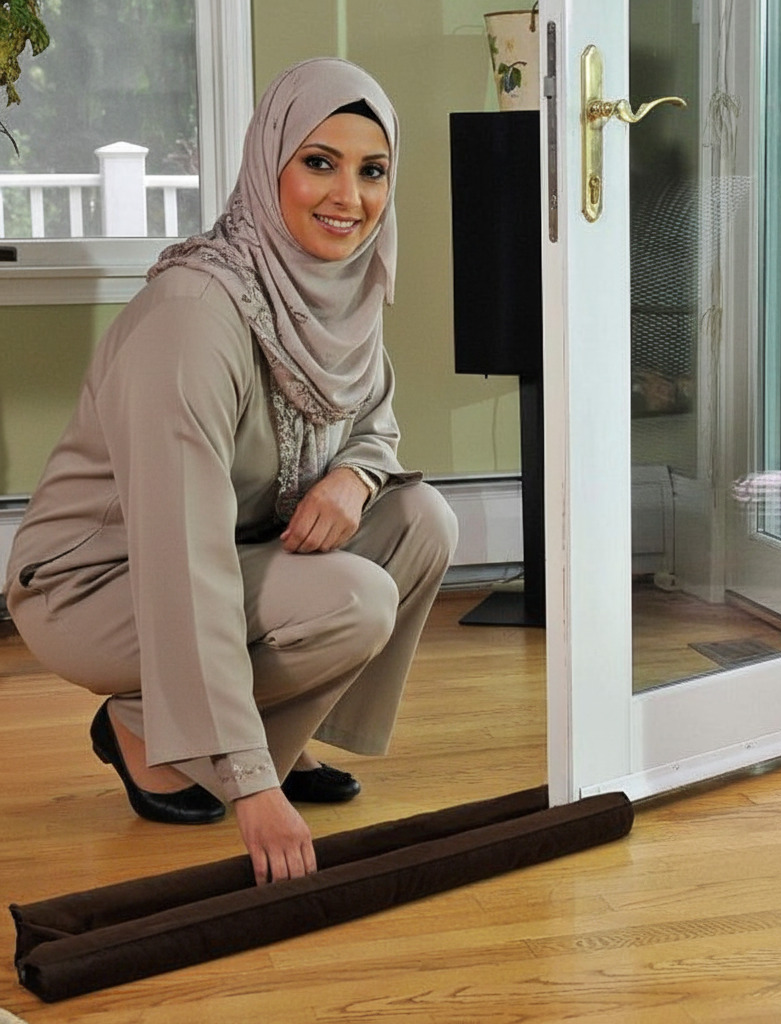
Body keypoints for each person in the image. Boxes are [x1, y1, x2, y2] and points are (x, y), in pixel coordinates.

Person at [3, 58, 458, 886]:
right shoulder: (194, 317)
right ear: (267, 162)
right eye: (318, 162)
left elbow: (374, 421)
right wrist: (251, 788)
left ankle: (278, 733)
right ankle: (150, 731)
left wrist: (357, 476)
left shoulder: (340, 290)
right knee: (356, 601)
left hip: (237, 547)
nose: (348, 197)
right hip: (99, 584)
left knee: (423, 520)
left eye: (372, 171)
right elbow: (183, 557)